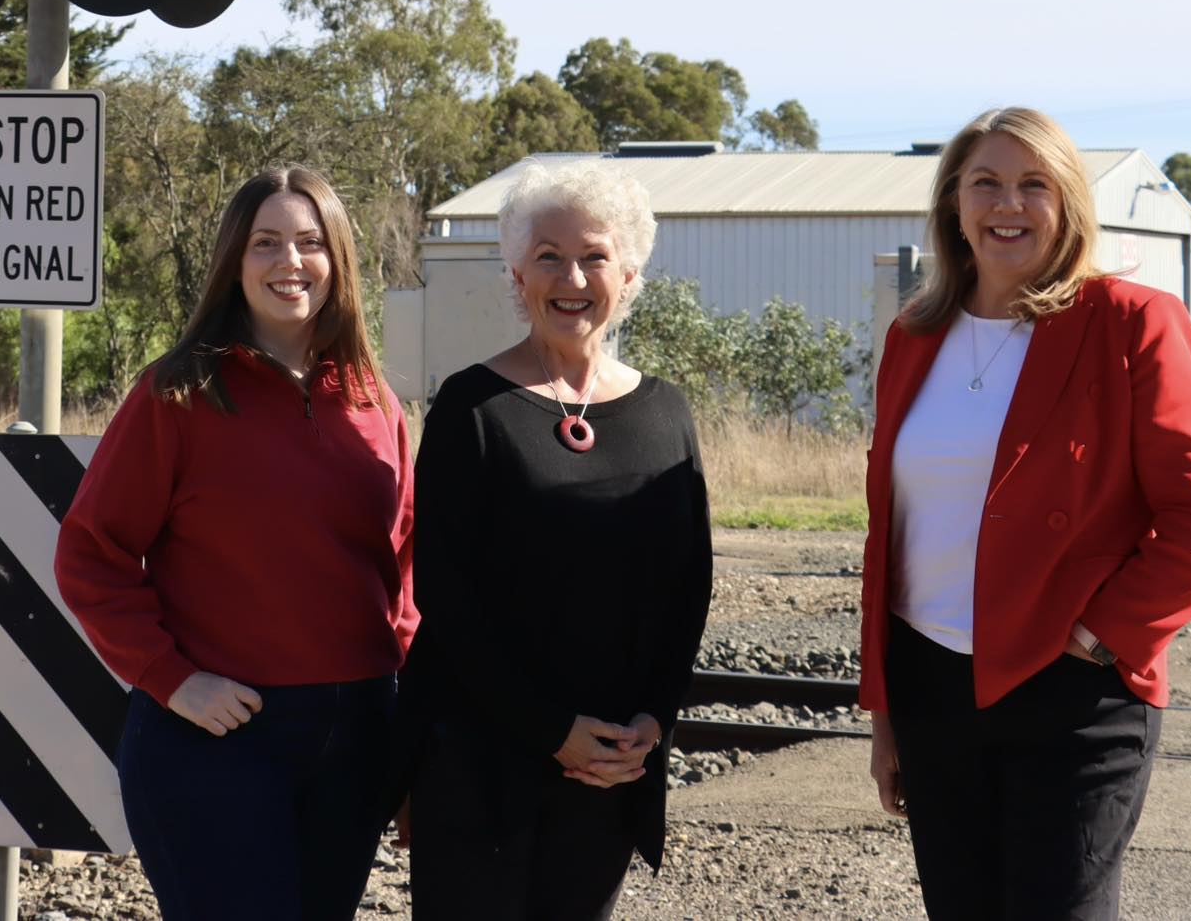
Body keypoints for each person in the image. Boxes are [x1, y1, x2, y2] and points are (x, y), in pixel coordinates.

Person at [861, 106, 1191, 919]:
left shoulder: (1131, 323)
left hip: (1073, 691)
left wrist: (1101, 637)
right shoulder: (914, 334)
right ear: (954, 206)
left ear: (1067, 203)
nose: (1009, 204)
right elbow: (893, 536)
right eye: (986, 184)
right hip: (933, 690)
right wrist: (888, 711)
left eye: (1034, 184)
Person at [54, 165, 416, 921]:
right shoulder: (176, 395)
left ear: (338, 259)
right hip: (217, 741)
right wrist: (172, 678)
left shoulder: (375, 400)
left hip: (357, 745)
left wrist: (412, 733)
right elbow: (91, 553)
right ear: (234, 260)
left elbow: (403, 578)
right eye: (266, 243)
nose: (290, 262)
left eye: (311, 242)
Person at [402, 159, 712, 921]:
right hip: (480, 769)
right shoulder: (472, 408)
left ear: (630, 273)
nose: (572, 276)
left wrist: (652, 725)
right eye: (549, 256)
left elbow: (688, 588)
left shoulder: (665, 412)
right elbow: (445, 596)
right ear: (516, 272)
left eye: (594, 255)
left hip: (609, 770)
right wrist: (553, 732)